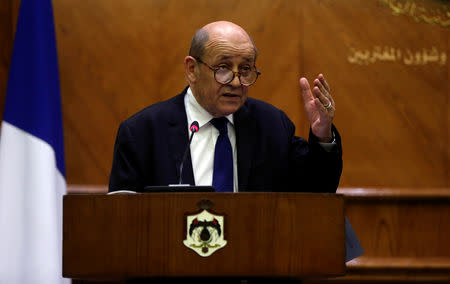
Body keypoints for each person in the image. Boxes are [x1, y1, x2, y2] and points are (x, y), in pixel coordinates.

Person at [108, 20, 342, 194]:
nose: (236, 81)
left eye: (246, 69)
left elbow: (317, 192)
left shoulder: (271, 125)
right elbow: (124, 221)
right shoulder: (142, 132)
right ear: (192, 70)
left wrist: (322, 135)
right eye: (223, 68)